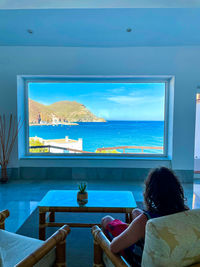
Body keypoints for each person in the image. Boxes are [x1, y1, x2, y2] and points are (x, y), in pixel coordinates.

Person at [101, 167, 189, 266]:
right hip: (170, 254)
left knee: (106, 220)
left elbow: (114, 247)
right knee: (136, 212)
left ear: (151, 192)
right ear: (176, 189)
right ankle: (132, 232)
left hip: (140, 259)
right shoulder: (186, 214)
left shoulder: (146, 220)